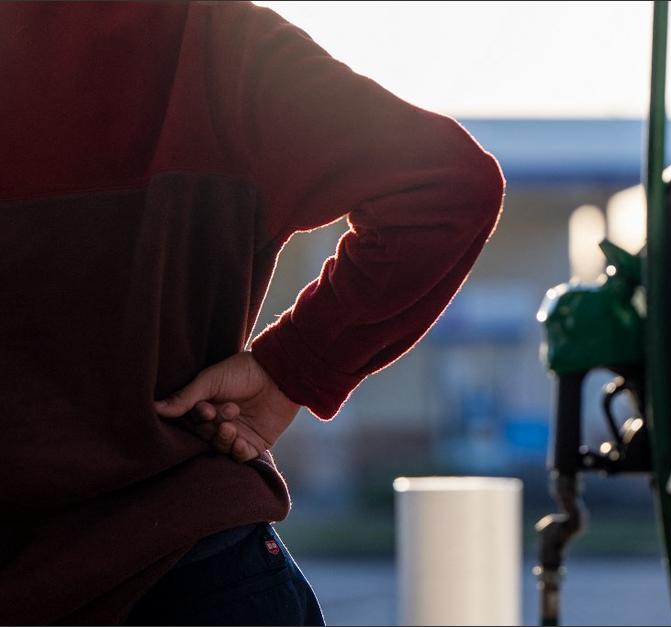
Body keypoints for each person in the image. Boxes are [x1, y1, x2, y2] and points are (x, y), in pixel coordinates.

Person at [0, 1, 504, 624]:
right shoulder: (211, 42)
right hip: (188, 566)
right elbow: (449, 185)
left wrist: (294, 365)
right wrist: (290, 369)